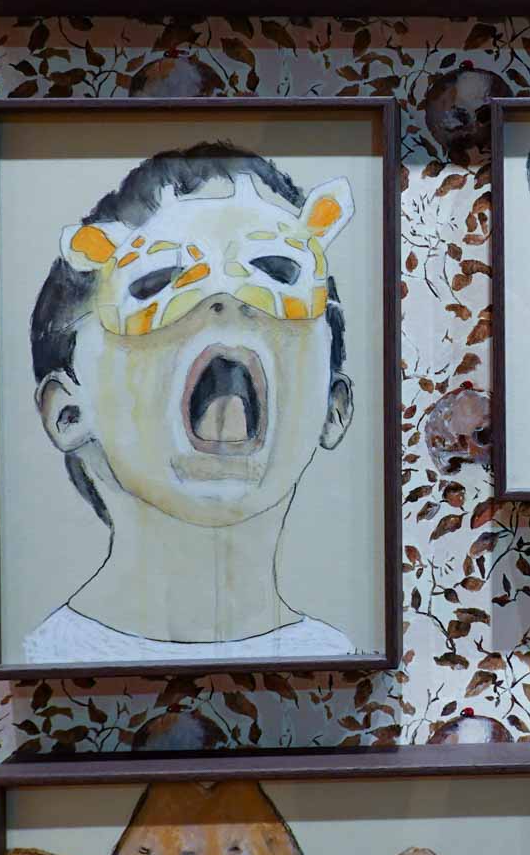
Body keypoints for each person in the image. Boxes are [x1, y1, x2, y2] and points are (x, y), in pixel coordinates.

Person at [21, 142, 359, 664]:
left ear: (333, 407)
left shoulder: (337, 659)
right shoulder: (45, 659)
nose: (224, 300)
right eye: (157, 283)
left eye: (275, 271)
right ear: (68, 413)